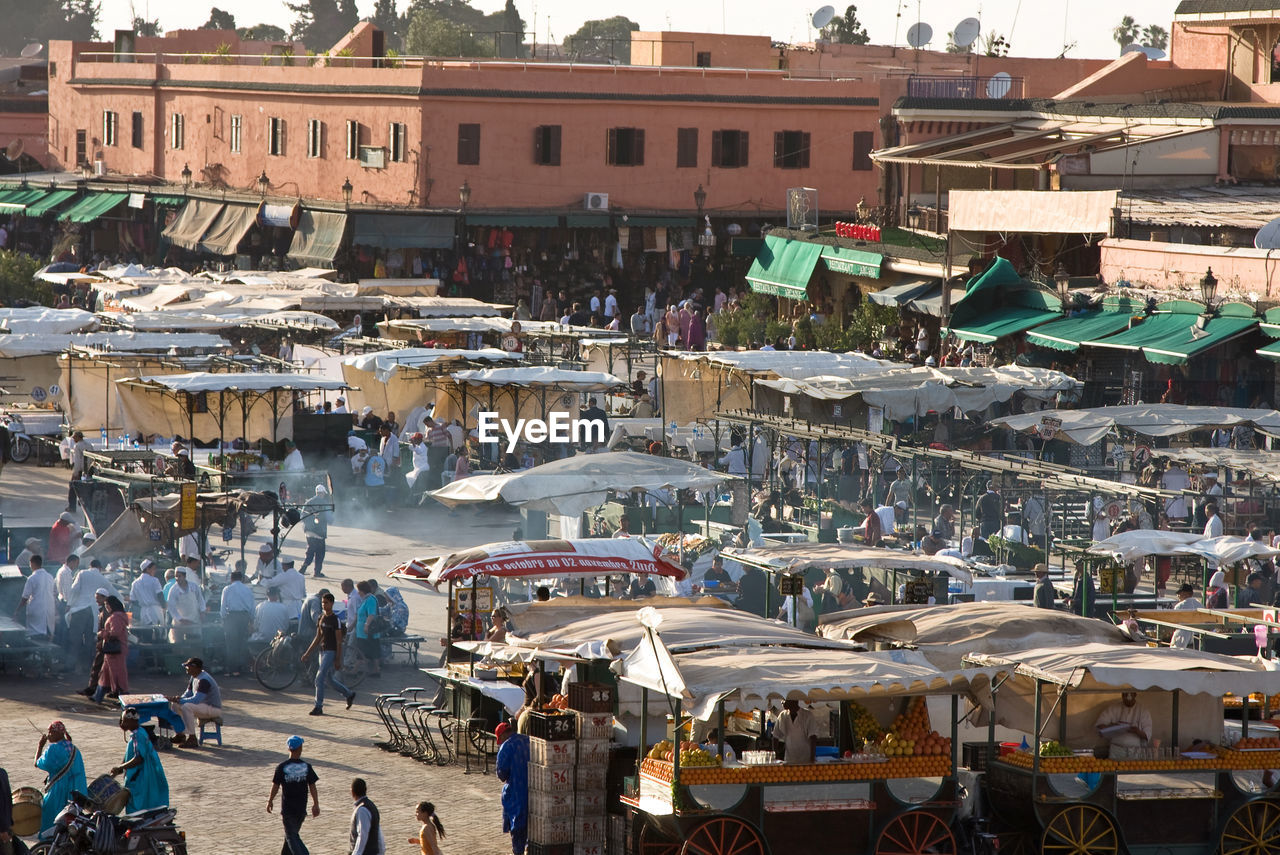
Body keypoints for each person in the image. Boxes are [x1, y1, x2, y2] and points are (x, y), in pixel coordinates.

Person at [302, 591, 355, 715]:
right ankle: (349, 694)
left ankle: (318, 706)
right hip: (323, 651)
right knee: (329, 680)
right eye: (322, 603)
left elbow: (338, 641)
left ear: (331, 603)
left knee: (319, 679)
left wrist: (337, 659)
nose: (324, 605)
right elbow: (317, 638)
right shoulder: (321, 618)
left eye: (326, 603)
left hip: (331, 651)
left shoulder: (334, 620)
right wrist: (307, 653)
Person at [109, 707, 169, 812]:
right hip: (145, 771)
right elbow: (129, 753)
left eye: (124, 721)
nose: (122, 723)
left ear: (132, 721)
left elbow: (138, 758)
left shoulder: (138, 736)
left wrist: (121, 767)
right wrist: (121, 767)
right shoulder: (139, 732)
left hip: (141, 773)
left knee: (138, 801)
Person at [268, 735, 320, 855]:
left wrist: (270, 800)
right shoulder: (306, 767)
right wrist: (316, 804)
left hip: (287, 809)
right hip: (301, 808)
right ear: (300, 748)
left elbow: (275, 786)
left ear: (288, 749)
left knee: (292, 836)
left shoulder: (281, 767)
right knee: (291, 835)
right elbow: (312, 786)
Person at [35, 720, 85, 831]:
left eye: (50, 732)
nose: (48, 735)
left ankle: (49, 845)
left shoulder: (53, 749)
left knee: (51, 820)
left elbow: (38, 763)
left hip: (58, 792)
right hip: (74, 793)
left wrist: (40, 746)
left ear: (59, 733)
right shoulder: (74, 749)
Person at [167, 657, 222, 749]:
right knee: (175, 705)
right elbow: (188, 693)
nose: (186, 669)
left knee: (187, 707)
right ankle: (180, 734)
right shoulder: (194, 677)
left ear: (195, 668)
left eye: (188, 667)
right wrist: (178, 699)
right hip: (202, 706)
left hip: (212, 708)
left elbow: (196, 700)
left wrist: (179, 700)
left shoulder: (204, 680)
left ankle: (192, 738)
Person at [495, 721, 530, 855]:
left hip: (516, 793)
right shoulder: (528, 740)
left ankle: (518, 851)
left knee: (517, 828)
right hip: (533, 791)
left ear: (503, 735)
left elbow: (502, 774)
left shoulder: (506, 747)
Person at [92, 596, 129, 702]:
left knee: (118, 675)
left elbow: (115, 633)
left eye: (107, 605)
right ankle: (98, 696)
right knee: (106, 674)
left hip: (115, 651)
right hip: (115, 651)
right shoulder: (119, 616)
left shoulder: (115, 617)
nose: (106, 607)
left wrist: (102, 633)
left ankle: (124, 699)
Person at [1095, 691, 1152, 759]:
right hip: (1116, 750)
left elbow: (1147, 734)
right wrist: (1114, 727)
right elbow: (1099, 725)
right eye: (1125, 695)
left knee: (1134, 769)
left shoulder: (1143, 711)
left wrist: (1137, 731)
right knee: (1115, 768)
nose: (1128, 700)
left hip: (1134, 751)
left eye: (1130, 696)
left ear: (1135, 694)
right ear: (1122, 695)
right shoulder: (1114, 708)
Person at [220, 569, 256, 677]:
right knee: (242, 643)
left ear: (231, 579)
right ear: (242, 579)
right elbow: (252, 607)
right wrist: (251, 620)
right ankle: (240, 669)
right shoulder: (247, 589)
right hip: (244, 617)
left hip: (231, 617)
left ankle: (230, 669)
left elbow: (223, 606)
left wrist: (223, 618)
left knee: (231, 643)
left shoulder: (227, 589)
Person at [16, 554, 56, 638]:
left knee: (35, 635)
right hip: (50, 609)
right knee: (48, 633)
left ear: (32, 563)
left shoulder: (32, 578)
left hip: (36, 609)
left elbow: (25, 597)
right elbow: (54, 593)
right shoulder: (50, 577)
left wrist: (17, 610)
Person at [166, 566, 206, 645]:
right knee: (179, 645)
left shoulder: (194, 586)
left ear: (184, 576)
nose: (177, 578)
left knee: (195, 643)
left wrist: (202, 611)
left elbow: (200, 600)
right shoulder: (173, 590)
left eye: (179, 576)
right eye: (176, 576)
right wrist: (180, 619)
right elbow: (171, 607)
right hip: (179, 623)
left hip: (194, 620)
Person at [299, 485, 333, 578]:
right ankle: (316, 572)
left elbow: (302, 516)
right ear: (322, 493)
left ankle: (304, 567)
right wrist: (331, 520)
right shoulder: (324, 503)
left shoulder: (308, 502)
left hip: (308, 532)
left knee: (310, 550)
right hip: (319, 533)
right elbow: (329, 517)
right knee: (320, 553)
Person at [348, 778, 385, 855]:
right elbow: (378, 831)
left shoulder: (362, 810)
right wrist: (382, 850)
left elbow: (362, 835)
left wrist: (356, 853)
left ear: (352, 792)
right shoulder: (371, 806)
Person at [774, 699, 817, 764]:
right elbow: (775, 736)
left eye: (785, 700)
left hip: (805, 760)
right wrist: (776, 755)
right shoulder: (782, 715)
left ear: (794, 700)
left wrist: (812, 758)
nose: (782, 702)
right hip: (789, 760)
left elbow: (813, 737)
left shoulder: (807, 715)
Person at [355, 580, 383, 677]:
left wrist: (366, 625)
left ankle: (356, 670)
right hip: (362, 632)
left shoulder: (370, 599)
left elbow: (371, 614)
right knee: (368, 651)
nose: (358, 592)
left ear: (362, 591)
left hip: (367, 631)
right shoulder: (365, 599)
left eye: (359, 590)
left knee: (363, 651)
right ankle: (375, 670)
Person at [130, 558, 166, 626]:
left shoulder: (135, 583)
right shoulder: (154, 580)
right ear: (147, 569)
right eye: (153, 569)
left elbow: (133, 600)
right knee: (159, 632)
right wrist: (164, 606)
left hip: (143, 612)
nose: (155, 571)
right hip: (156, 610)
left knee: (146, 633)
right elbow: (160, 595)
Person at [1171, 583, 1202, 649]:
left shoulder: (1179, 606)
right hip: (1198, 637)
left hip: (1183, 637)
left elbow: (1175, 622)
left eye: (1180, 593)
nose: (1178, 596)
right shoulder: (1200, 604)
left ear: (1186, 594)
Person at [67, 430, 91, 511]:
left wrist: (76, 472)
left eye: (74, 437)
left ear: (78, 437)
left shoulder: (77, 446)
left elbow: (77, 461)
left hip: (80, 470)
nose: (73, 439)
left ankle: (72, 506)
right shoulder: (88, 445)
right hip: (89, 470)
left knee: (73, 488)